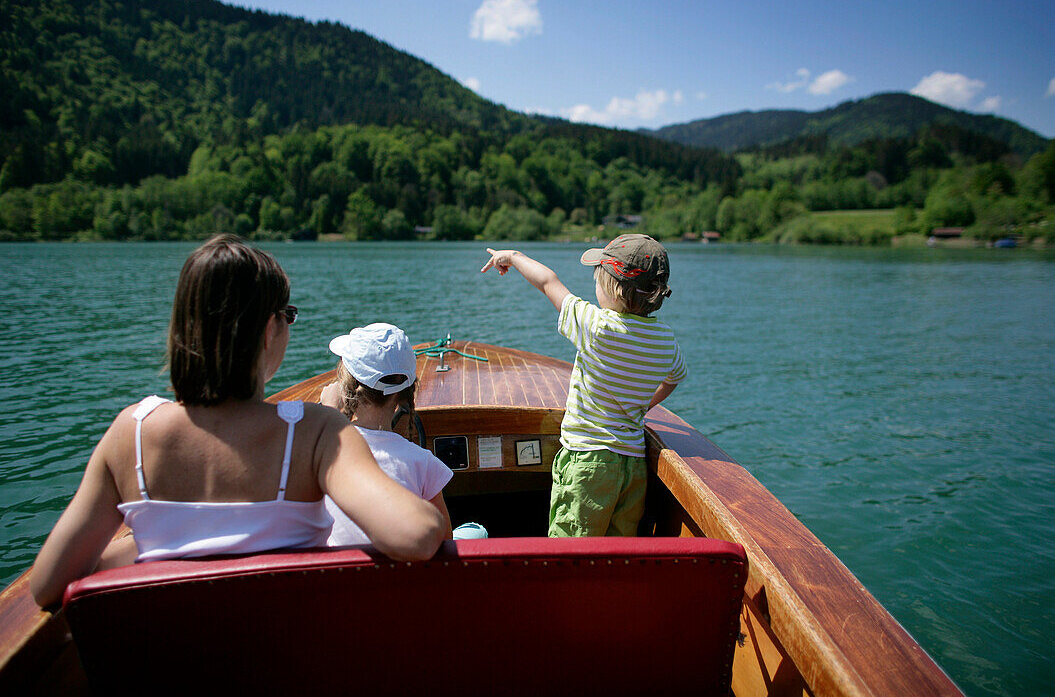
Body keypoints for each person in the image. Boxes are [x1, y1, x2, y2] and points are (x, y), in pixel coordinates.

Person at [30, 235, 445, 606]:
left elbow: (49, 585)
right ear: (269, 329)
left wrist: (155, 546)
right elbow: (418, 536)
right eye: (289, 315)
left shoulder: (130, 432)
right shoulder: (315, 432)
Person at [480, 234, 687, 537]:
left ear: (614, 289)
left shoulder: (596, 326)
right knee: (617, 553)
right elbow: (675, 378)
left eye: (597, 280)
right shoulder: (665, 341)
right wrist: (643, 405)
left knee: (572, 548)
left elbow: (548, 282)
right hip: (632, 466)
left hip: (588, 461)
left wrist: (511, 255)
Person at [319, 323, 485, 544]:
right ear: (405, 392)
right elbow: (443, 540)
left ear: (348, 386)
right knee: (477, 531)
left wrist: (329, 414)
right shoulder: (423, 462)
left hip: (342, 573)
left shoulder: (323, 451)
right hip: (403, 574)